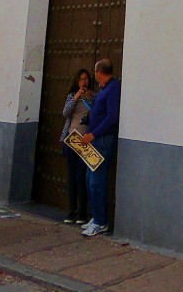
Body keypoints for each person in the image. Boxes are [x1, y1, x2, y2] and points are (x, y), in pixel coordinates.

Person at [79, 58, 120, 237]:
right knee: (90, 179)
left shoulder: (112, 89)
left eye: (95, 72)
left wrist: (94, 134)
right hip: (95, 140)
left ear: (99, 72)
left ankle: (100, 221)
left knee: (97, 182)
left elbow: (112, 116)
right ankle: (95, 217)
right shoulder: (105, 89)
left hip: (102, 140)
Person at [60, 68, 95, 224]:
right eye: (81, 79)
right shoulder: (71, 96)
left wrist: (87, 99)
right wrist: (75, 97)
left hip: (85, 141)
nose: (84, 82)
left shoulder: (93, 96)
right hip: (71, 139)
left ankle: (82, 212)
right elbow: (65, 113)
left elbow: (94, 114)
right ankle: (71, 210)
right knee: (72, 176)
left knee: (82, 176)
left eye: (86, 79)